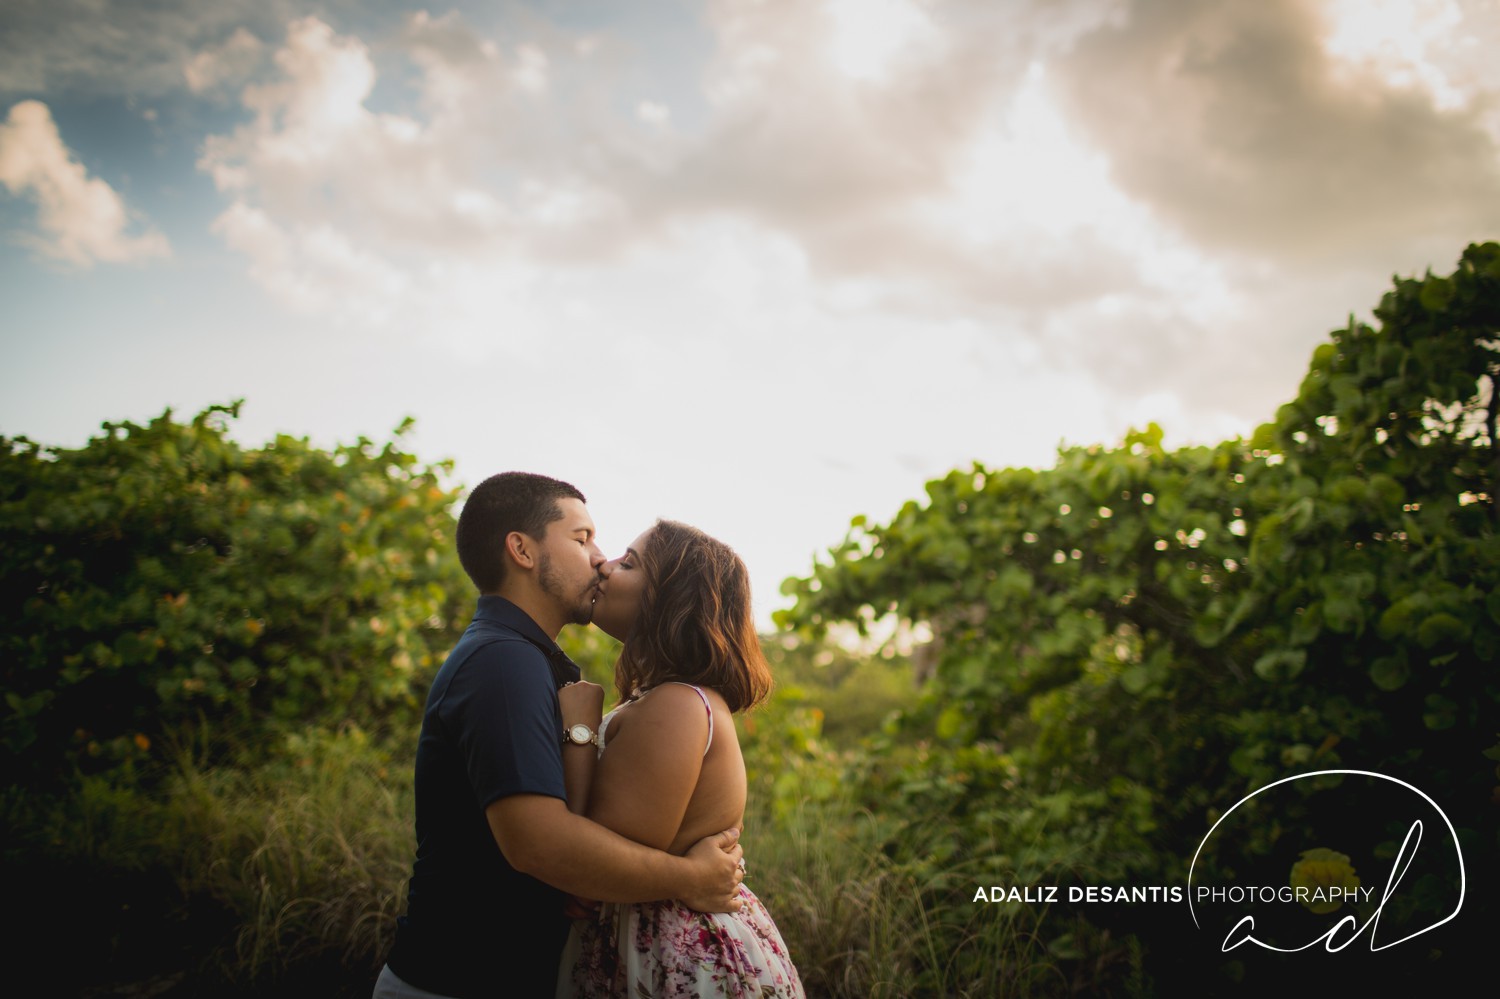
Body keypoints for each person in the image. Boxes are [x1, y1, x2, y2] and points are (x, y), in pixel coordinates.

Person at [376, 474, 746, 999]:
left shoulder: (525, 661)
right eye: (582, 538)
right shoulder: (504, 660)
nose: (599, 559)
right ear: (522, 550)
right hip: (459, 979)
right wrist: (689, 879)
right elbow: (539, 841)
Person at [554, 519, 805, 998]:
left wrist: (580, 730)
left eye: (629, 563)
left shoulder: (676, 704)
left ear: (670, 599)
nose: (603, 568)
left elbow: (595, 872)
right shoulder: (663, 699)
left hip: (674, 959)